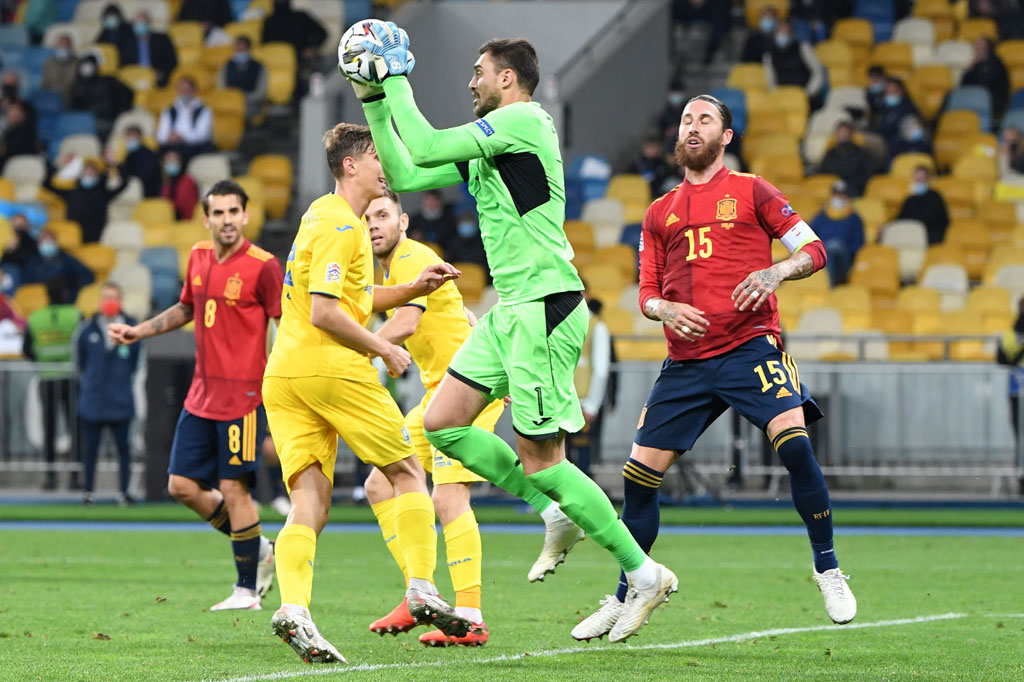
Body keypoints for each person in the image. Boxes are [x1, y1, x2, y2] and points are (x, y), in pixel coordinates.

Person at [358, 28, 676, 643]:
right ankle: (552, 509)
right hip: (511, 310)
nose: (471, 80)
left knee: (543, 459)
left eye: (479, 71)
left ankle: (642, 572)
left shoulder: (525, 121)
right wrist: (372, 94)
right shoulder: (489, 143)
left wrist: (396, 73)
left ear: (508, 78)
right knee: (442, 424)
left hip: (546, 306)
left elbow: (421, 142)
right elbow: (403, 166)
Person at [570, 94, 857, 641]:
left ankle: (828, 568)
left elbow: (813, 249)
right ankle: (629, 591)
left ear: (726, 136)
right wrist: (664, 309)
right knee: (637, 481)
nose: (692, 127)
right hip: (686, 361)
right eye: (685, 120)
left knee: (794, 446)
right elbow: (647, 293)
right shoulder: (659, 213)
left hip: (752, 347)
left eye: (705, 120)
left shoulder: (753, 190)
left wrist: (776, 273)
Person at [261, 122, 467, 663]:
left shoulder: (321, 216)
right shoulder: (343, 228)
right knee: (406, 472)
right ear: (351, 164)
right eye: (377, 156)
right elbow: (328, 314)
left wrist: (411, 289)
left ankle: (295, 610)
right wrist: (383, 348)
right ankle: (422, 586)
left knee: (311, 500)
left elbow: (350, 294)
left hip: (285, 374)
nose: (386, 165)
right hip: (330, 368)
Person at [364, 189, 580, 646]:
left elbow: (403, 324)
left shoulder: (410, 256)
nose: (374, 225)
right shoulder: (397, 266)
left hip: (466, 393)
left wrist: (361, 353)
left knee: (447, 498)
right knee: (380, 483)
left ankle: (470, 615)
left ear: (403, 221)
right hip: (436, 395)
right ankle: (419, 591)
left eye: (382, 215)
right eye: (367, 219)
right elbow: (443, 315)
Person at [108, 180, 281, 611]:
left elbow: (286, 325)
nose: (226, 220)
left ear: (245, 215)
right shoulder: (199, 256)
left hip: (242, 397)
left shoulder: (264, 266)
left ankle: (246, 591)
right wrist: (140, 331)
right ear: (206, 219)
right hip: (200, 395)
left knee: (233, 488)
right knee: (181, 485)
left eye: (233, 211)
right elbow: (187, 307)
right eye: (217, 213)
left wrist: (280, 391)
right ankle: (260, 547)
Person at [75, 282, 140, 505]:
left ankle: (123, 492)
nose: (108, 302)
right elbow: (80, 362)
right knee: (90, 449)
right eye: (105, 297)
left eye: (113, 297)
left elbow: (134, 363)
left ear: (120, 301)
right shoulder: (87, 328)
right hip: (93, 400)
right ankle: (88, 492)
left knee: (124, 449)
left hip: (120, 399)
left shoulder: (132, 328)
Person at [24, 277, 81, 490]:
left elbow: (27, 349)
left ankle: (50, 477)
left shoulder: (35, 318)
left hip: (46, 378)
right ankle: (75, 476)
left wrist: (43, 361)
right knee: (75, 427)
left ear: (46, 294)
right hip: (71, 378)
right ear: (66, 293)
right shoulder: (75, 315)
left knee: (49, 429)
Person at [565, 287, 614, 477]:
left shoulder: (597, 326)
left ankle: (580, 500)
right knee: (561, 453)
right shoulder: (565, 323)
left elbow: (601, 369)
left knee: (582, 453)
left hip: (583, 401)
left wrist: (592, 406)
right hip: (563, 400)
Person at [44, 157, 127, 244]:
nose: (88, 174)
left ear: (97, 176)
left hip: (96, 240)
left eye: (91, 172)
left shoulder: (103, 193)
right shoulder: (71, 192)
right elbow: (46, 184)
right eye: (85, 171)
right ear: (80, 175)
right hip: (73, 239)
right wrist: (57, 166)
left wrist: (115, 164)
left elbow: (124, 183)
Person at [809, 180, 865, 285]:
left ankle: (830, 284)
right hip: (821, 256)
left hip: (845, 260)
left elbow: (859, 244)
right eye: (837, 194)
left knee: (833, 246)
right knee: (826, 248)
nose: (839, 197)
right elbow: (810, 236)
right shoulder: (821, 216)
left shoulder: (855, 219)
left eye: (842, 195)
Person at [69, 55, 134, 141]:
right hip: (87, 124)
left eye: (90, 65)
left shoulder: (108, 80)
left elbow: (128, 92)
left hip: (108, 122)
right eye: (84, 65)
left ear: (96, 66)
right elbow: (75, 109)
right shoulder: (78, 86)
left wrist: (121, 111)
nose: (87, 68)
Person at [996, 296, 1024, 494]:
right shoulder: (1010, 334)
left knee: (1021, 438)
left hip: (1016, 391)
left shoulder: (1009, 334)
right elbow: (1001, 359)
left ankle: (1022, 477)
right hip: (1016, 391)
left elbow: (1002, 358)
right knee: (1021, 438)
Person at [764, 19, 825, 108]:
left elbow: (817, 72)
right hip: (781, 98)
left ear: (792, 34)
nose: (782, 35)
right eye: (779, 32)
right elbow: (770, 79)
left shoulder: (803, 48)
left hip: (805, 95)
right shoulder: (769, 55)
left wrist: (808, 93)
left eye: (785, 32)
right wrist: (775, 96)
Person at [23, 230, 95, 300]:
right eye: (44, 242)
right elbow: (27, 284)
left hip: (65, 300)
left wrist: (74, 292)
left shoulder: (67, 259)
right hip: (39, 299)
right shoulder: (33, 261)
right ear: (38, 245)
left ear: (56, 243)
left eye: (50, 241)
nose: (47, 244)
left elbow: (87, 275)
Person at [155, 77, 214, 163]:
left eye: (187, 90)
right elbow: (161, 134)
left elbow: (202, 134)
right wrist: (169, 137)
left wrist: (182, 138)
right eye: (181, 90)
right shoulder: (169, 110)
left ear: (194, 90)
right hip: (173, 146)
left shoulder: (204, 110)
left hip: (194, 148)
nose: (184, 93)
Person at [119, 10, 178, 88]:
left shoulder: (162, 39)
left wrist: (162, 72)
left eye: (142, 23)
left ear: (149, 23)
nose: (139, 25)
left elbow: (171, 60)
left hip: (157, 78)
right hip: (135, 78)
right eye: (137, 23)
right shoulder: (127, 42)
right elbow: (123, 64)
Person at [895, 165, 949, 245]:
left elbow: (928, 218)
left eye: (921, 180)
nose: (918, 183)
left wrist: (909, 222)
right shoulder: (910, 198)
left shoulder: (935, 197)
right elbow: (900, 217)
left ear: (928, 180)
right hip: (910, 232)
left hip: (930, 234)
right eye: (917, 180)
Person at [217, 36, 267, 122]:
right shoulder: (227, 65)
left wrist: (242, 99)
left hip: (251, 104)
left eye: (241, 49)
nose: (238, 52)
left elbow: (261, 92)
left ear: (248, 49)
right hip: (230, 103)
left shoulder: (259, 66)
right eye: (236, 49)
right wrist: (232, 99)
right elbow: (221, 87)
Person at [960, 36, 1009, 121]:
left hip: (992, 100)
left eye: (981, 44)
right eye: (976, 44)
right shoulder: (974, 65)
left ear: (987, 47)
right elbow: (963, 85)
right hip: (973, 98)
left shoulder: (996, 62)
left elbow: (988, 83)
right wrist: (971, 66)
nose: (977, 46)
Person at [819, 121, 871, 196]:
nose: (843, 135)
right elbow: (822, 173)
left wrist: (849, 184)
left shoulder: (861, 153)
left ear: (851, 134)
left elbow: (867, 175)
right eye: (840, 133)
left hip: (853, 189)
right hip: (832, 189)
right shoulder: (830, 154)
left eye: (845, 132)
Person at [873, 78, 920, 153]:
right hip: (882, 139)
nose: (890, 93)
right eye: (888, 91)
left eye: (893, 90)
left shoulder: (908, 108)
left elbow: (897, 128)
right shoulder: (883, 106)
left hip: (898, 142)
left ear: (901, 91)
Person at [118, 125, 162, 198]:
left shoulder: (149, 155)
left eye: (134, 135)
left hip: (148, 194)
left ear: (140, 137)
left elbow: (142, 177)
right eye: (129, 136)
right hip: (133, 192)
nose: (131, 138)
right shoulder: (128, 155)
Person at [160, 149, 199, 220]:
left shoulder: (187, 181)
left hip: (186, 221)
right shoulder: (167, 182)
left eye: (173, 160)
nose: (170, 163)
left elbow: (184, 206)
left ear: (180, 162)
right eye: (168, 160)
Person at [40, 34, 78, 106]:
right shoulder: (49, 63)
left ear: (71, 47)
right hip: (51, 99)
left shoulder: (77, 63)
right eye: (61, 44)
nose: (63, 47)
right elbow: (44, 84)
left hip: (71, 98)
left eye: (66, 45)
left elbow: (74, 82)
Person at [0, 100, 38, 168]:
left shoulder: (24, 134)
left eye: (14, 111)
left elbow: (8, 154)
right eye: (9, 110)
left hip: (20, 168)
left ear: (23, 114)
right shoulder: (9, 132)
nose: (9, 114)